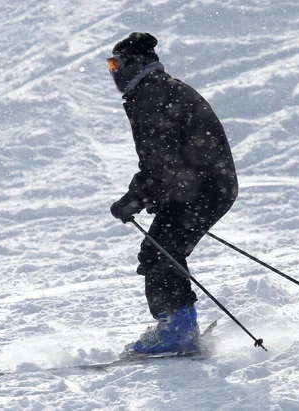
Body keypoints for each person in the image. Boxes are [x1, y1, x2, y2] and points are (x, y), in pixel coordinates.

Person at [107, 32, 238, 355]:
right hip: (200, 186)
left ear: (135, 63)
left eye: (115, 64)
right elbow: (166, 161)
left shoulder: (152, 94)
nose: (113, 72)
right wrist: (152, 194)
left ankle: (178, 330)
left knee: (160, 253)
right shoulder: (157, 89)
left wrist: (135, 199)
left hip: (201, 188)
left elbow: (161, 162)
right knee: (161, 251)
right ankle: (179, 323)